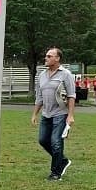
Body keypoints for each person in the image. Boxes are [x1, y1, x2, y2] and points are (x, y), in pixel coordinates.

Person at [31, 47, 76, 181]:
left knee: (56, 142)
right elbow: (39, 97)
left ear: (57, 58)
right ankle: (62, 161)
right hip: (46, 114)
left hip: (60, 114)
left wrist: (70, 115)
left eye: (49, 56)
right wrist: (34, 114)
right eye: (46, 56)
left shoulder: (66, 74)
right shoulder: (42, 75)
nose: (46, 58)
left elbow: (71, 95)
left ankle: (55, 173)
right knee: (43, 140)